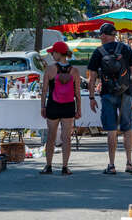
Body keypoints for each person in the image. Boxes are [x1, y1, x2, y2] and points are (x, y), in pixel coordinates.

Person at [88, 23, 132, 175]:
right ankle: (129, 163)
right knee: (127, 129)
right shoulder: (126, 49)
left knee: (111, 130)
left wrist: (91, 97)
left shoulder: (98, 52)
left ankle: (111, 165)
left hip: (107, 94)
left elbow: (92, 78)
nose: (99, 37)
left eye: (100, 35)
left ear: (104, 35)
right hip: (126, 94)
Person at [40, 41, 81, 175]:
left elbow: (44, 90)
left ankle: (48, 166)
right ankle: (65, 167)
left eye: (53, 52)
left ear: (59, 53)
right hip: (68, 107)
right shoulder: (74, 71)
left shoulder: (50, 69)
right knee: (66, 138)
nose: (52, 55)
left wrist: (43, 107)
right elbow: (77, 93)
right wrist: (78, 109)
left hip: (53, 105)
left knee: (51, 137)